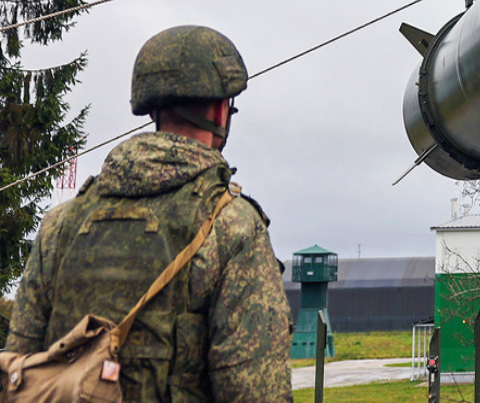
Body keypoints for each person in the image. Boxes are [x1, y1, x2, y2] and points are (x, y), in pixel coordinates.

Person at [6, 25, 293, 401]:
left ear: (153, 109)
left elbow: (19, 370)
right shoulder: (231, 226)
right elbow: (255, 392)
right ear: (220, 110)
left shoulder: (60, 225)